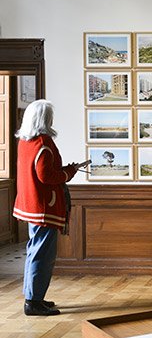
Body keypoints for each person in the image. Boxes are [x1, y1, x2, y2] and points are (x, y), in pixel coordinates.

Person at [13, 100, 79, 315]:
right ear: (45, 118)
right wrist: (68, 173)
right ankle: (33, 302)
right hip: (44, 207)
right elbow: (46, 175)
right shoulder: (43, 141)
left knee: (35, 252)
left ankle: (34, 297)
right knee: (42, 254)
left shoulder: (25, 141)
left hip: (32, 204)